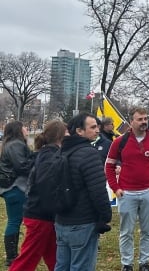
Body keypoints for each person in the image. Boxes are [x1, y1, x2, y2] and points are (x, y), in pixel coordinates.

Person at [105, 107, 149, 271]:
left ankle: (144, 263)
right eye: (139, 119)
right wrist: (115, 188)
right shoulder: (120, 142)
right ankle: (127, 264)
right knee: (126, 232)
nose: (144, 122)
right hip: (127, 194)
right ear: (131, 121)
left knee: (148, 230)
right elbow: (109, 166)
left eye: (145, 118)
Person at [54, 114, 113, 271]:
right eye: (93, 127)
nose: (97, 130)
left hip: (61, 221)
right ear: (79, 131)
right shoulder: (89, 153)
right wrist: (106, 216)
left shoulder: (60, 152)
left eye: (98, 127)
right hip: (82, 222)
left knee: (61, 266)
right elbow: (98, 190)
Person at [9, 120, 66, 271]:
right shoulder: (49, 156)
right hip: (41, 215)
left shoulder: (47, 153)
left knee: (55, 257)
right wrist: (57, 208)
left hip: (43, 214)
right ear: (61, 136)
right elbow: (45, 186)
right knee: (28, 258)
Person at [0, 121, 31, 266]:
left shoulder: (10, 144)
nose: (26, 128)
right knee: (14, 221)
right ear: (18, 130)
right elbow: (22, 166)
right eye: (24, 126)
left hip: (11, 188)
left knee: (14, 220)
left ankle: (12, 256)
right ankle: (11, 257)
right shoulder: (16, 145)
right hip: (16, 187)